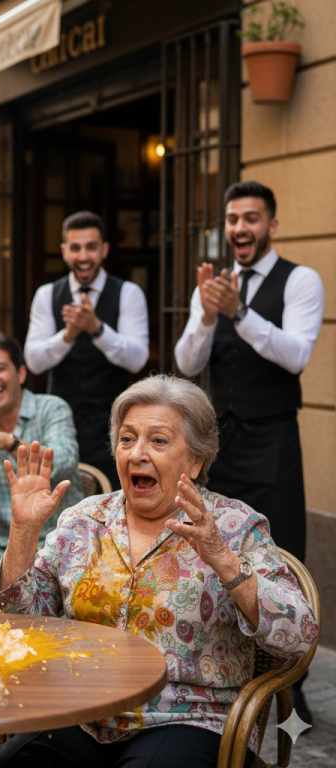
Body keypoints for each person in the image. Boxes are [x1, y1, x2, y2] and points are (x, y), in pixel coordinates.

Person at [0, 375, 317, 768]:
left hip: (188, 718)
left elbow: (298, 636)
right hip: (82, 711)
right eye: (127, 439)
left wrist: (223, 559)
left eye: (158, 441)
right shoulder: (84, 520)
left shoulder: (233, 526)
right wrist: (23, 532)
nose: (137, 454)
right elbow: (16, 625)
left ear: (196, 461)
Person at [174, 181, 323, 726]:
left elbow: (296, 355)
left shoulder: (301, 280)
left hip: (274, 439)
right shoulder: (211, 285)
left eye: (252, 218)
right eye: (234, 218)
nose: (240, 228)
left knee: (283, 554)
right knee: (216, 551)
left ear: (271, 225)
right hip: (222, 445)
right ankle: (221, 672)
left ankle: (292, 689)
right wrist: (210, 316)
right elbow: (188, 363)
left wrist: (240, 313)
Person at [0, 332, 84, 610]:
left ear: (21, 374)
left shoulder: (52, 408)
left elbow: (65, 460)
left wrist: (11, 443)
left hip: (60, 540)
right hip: (0, 544)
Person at [24, 211, 149, 488]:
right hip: (60, 426)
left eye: (91, 247)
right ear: (64, 252)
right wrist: (68, 335)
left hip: (114, 423)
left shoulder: (128, 293)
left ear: (104, 250)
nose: (83, 256)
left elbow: (137, 359)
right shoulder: (47, 295)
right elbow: (33, 361)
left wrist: (97, 328)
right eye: (76, 248)